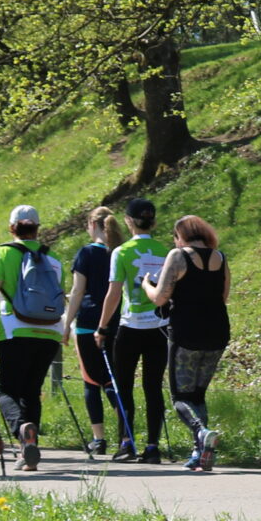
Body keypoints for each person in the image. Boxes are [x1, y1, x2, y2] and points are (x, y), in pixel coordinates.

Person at [0, 204, 66, 472]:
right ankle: (28, 452)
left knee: (5, 389)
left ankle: (21, 429)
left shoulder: (4, 253)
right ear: (37, 229)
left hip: (15, 330)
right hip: (50, 330)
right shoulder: (52, 257)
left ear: (11, 228)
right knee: (31, 390)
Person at [150, 214, 231, 473]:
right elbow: (224, 295)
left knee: (180, 397)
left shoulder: (179, 256)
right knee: (198, 394)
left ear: (180, 236)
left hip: (186, 333)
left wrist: (145, 286)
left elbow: (161, 297)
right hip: (217, 332)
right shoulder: (220, 258)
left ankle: (201, 431)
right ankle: (201, 452)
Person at [100, 196, 170, 463]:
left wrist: (102, 326)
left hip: (130, 327)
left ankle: (126, 442)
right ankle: (153, 446)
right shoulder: (165, 251)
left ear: (128, 221)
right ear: (153, 221)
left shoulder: (122, 252)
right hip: (159, 328)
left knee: (124, 386)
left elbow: (114, 294)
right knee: (153, 387)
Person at [67, 206, 117, 456]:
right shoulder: (118, 252)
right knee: (111, 378)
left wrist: (66, 324)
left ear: (93, 225)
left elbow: (77, 291)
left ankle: (99, 439)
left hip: (88, 322)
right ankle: (125, 432)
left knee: (91, 380)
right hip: (114, 322)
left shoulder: (86, 253)